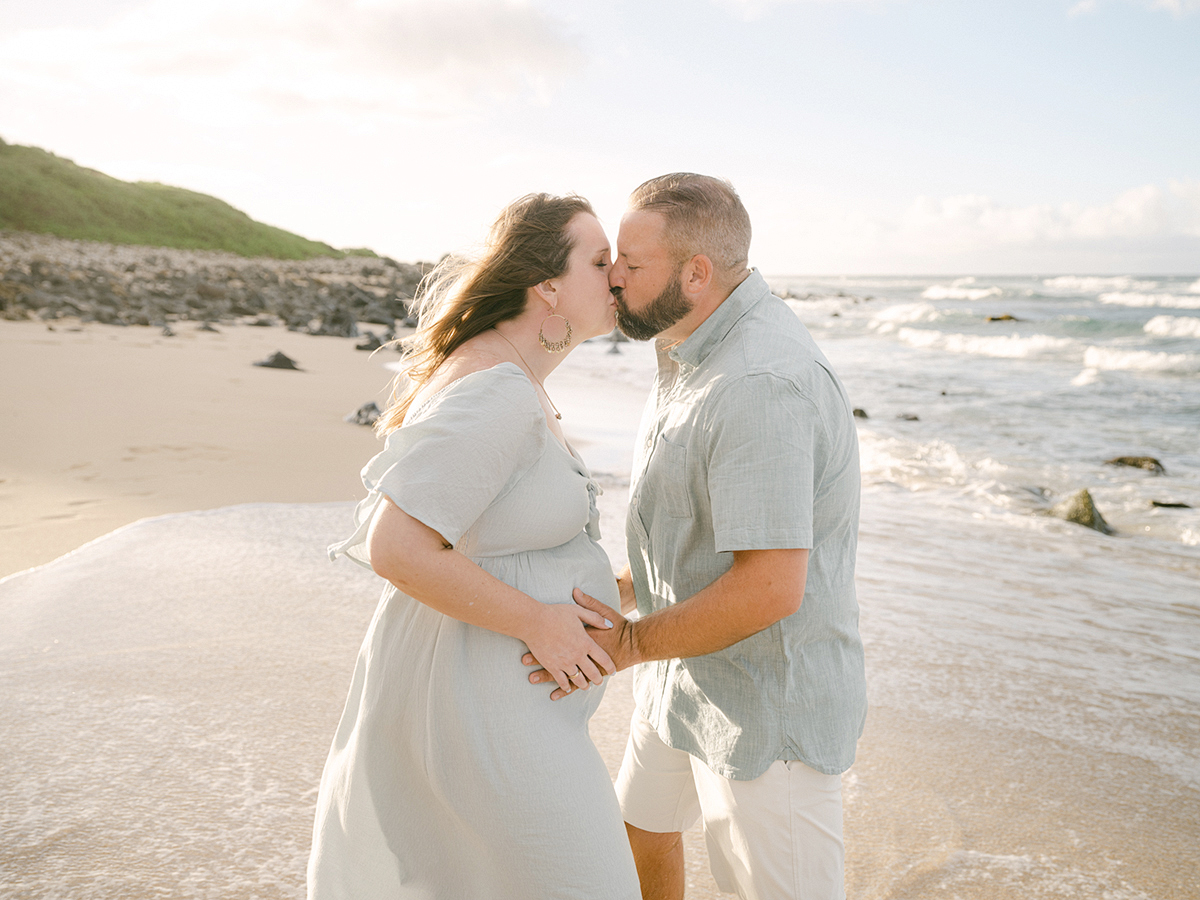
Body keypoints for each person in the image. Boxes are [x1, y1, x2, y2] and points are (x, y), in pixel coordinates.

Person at [525, 174, 867, 900]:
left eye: (632, 263)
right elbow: (695, 526)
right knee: (638, 833)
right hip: (683, 674)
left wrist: (628, 644)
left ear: (697, 273)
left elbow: (770, 588)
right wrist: (609, 593)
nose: (613, 276)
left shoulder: (759, 383)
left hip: (763, 706)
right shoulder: (690, 345)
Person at [307, 193, 641, 900]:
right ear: (547, 284)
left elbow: (497, 543)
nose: (618, 277)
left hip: (488, 696)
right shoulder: (499, 391)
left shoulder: (511, 380)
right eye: (601, 260)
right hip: (487, 711)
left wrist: (624, 587)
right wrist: (537, 620)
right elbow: (395, 546)